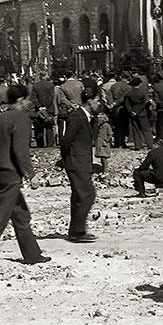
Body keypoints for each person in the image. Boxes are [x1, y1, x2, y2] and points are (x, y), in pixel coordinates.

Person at [0, 84, 51, 273]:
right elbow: (21, 151)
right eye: (27, 100)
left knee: (20, 214)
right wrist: (31, 175)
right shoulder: (21, 119)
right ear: (20, 100)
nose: (29, 103)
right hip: (13, 172)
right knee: (0, 216)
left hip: (1, 170)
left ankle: (32, 254)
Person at [60, 87, 102, 242]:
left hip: (80, 161)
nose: (99, 104)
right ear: (89, 101)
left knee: (79, 197)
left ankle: (75, 231)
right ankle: (78, 231)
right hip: (76, 162)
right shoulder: (77, 117)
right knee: (87, 194)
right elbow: (65, 141)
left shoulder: (86, 117)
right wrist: (66, 159)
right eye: (97, 101)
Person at [126, 76, 154, 150]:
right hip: (142, 113)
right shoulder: (142, 93)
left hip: (132, 113)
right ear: (140, 84)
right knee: (146, 129)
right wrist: (137, 111)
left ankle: (138, 145)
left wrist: (131, 111)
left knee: (135, 129)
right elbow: (144, 103)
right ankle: (150, 144)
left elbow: (127, 104)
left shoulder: (129, 93)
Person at [30, 72, 57, 148]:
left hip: (38, 110)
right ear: (46, 76)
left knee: (38, 127)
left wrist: (39, 106)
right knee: (49, 126)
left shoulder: (35, 86)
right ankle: (50, 143)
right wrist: (46, 106)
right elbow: (51, 97)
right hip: (49, 109)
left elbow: (34, 98)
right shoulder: (50, 85)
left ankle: (40, 143)